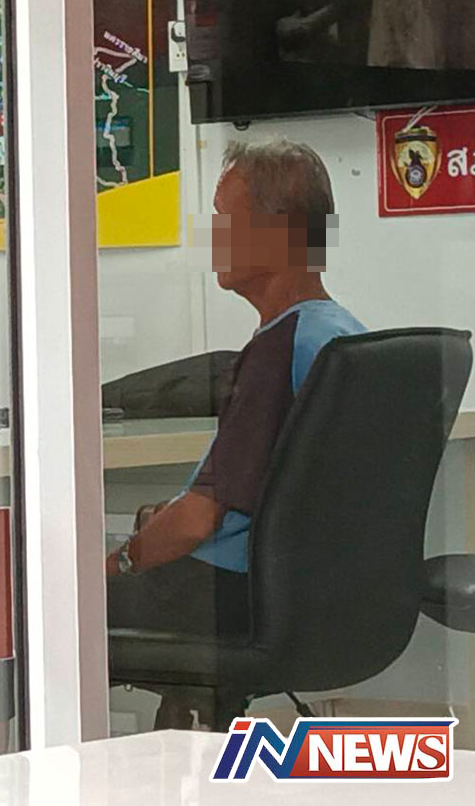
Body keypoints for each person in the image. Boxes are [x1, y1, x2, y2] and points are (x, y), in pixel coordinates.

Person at [106, 139, 365, 694]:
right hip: (306, 592)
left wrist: (120, 561)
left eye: (224, 220)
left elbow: (198, 522)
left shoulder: (278, 348)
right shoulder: (343, 333)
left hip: (224, 595)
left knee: (2, 610)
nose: (213, 238)